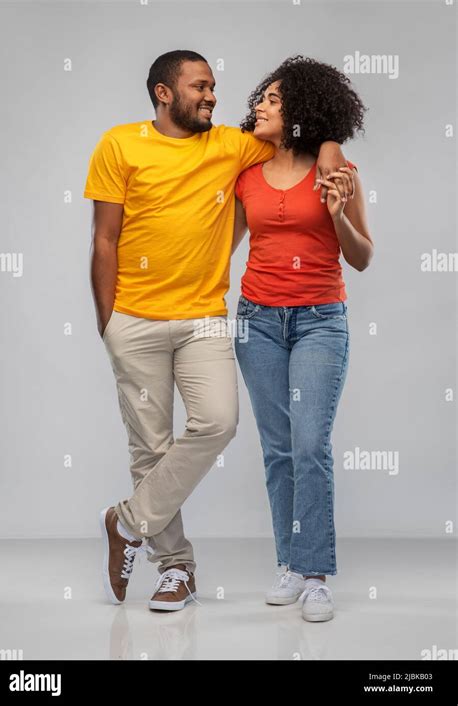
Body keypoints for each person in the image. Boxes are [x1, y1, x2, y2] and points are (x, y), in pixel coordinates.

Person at [84, 49, 350, 611]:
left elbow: (298, 137)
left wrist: (327, 146)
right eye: (200, 87)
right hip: (132, 318)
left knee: (219, 422)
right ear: (163, 92)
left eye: (214, 88)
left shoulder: (232, 144)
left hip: (204, 316)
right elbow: (103, 237)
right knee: (150, 449)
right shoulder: (118, 144)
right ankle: (176, 568)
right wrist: (107, 322)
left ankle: (126, 522)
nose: (212, 97)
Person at [233, 55, 373, 621]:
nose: (259, 105)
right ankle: (289, 563)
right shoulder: (245, 174)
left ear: (302, 107)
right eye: (260, 97)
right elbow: (225, 248)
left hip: (319, 320)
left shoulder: (337, 170)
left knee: (310, 445)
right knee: (278, 450)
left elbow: (361, 257)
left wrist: (337, 213)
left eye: (271, 97)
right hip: (257, 321)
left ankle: (315, 575)